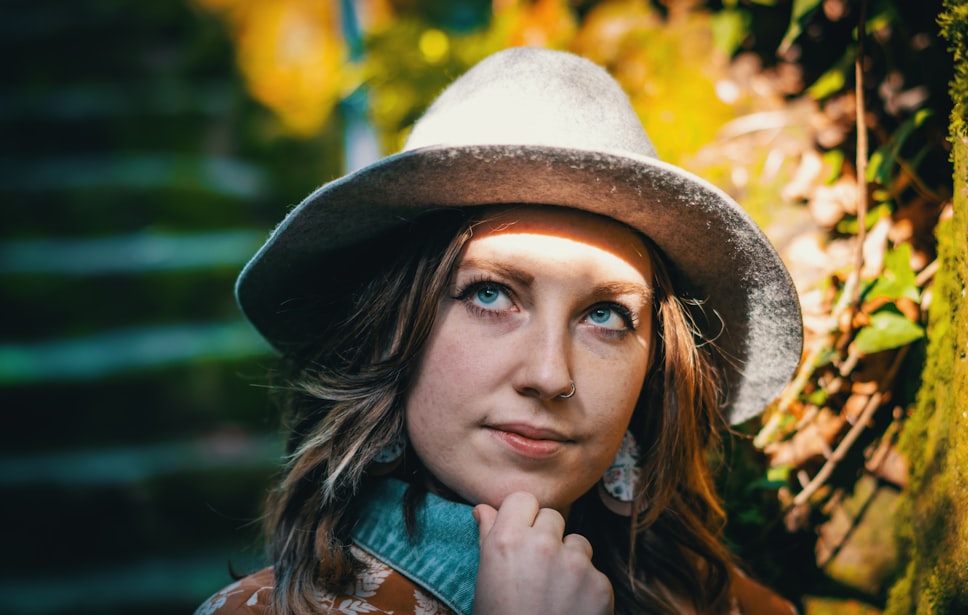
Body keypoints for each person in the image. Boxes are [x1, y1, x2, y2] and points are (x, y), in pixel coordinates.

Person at [196, 47, 802, 615]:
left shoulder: (717, 600)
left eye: (605, 315)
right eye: (490, 294)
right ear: (387, 335)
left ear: (654, 370)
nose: (548, 375)